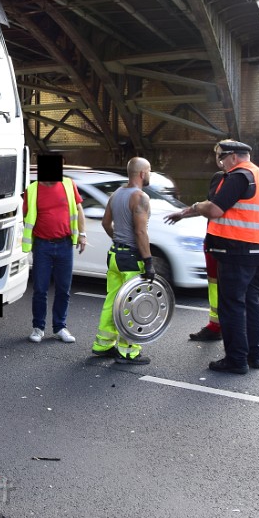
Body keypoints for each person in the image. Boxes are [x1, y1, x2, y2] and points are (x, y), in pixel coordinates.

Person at [164, 140, 259, 374]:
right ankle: (254, 356)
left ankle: (236, 360)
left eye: (220, 157)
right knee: (252, 304)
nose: (219, 162)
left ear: (232, 157)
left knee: (231, 306)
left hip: (237, 250)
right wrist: (183, 213)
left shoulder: (238, 176)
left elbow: (215, 209)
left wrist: (195, 207)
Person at [91, 156, 155, 364]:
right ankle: (128, 351)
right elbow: (140, 232)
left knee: (113, 300)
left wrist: (118, 240)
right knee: (132, 304)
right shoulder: (140, 197)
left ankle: (103, 344)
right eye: (150, 171)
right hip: (130, 259)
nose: (150, 174)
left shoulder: (117, 194)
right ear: (142, 173)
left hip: (115, 256)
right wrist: (148, 261)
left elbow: (105, 223)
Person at [22, 154, 86, 343]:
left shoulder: (68, 184)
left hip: (65, 244)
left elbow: (78, 209)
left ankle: (60, 327)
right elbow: (27, 215)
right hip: (42, 246)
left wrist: (82, 234)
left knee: (63, 289)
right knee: (40, 289)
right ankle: (38, 327)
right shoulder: (32, 189)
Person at [186, 171, 225, 342]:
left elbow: (211, 207)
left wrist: (191, 209)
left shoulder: (224, 178)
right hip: (241, 244)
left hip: (220, 242)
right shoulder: (257, 179)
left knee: (217, 286)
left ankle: (218, 327)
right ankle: (216, 325)